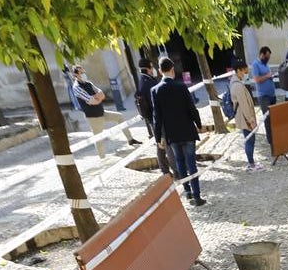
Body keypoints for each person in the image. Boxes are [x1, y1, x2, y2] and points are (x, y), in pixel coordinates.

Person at [151, 56, 206, 205]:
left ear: (160, 71)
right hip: (187, 130)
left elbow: (157, 116)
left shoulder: (155, 90)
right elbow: (191, 108)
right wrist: (199, 124)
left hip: (172, 134)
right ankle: (197, 195)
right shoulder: (181, 87)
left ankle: (187, 192)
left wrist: (158, 137)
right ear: (172, 69)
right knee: (191, 163)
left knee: (180, 163)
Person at [72, 64, 139, 157]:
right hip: (93, 117)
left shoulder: (88, 83)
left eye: (84, 72)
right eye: (81, 73)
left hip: (102, 112)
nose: (84, 74)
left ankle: (130, 139)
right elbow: (92, 101)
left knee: (120, 117)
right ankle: (102, 158)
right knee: (98, 139)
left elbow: (102, 94)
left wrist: (95, 98)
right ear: (75, 75)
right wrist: (95, 98)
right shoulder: (76, 87)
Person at [135, 58, 171, 174]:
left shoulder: (144, 80)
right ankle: (166, 170)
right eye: (151, 66)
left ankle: (165, 169)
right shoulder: (147, 82)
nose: (153, 69)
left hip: (153, 117)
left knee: (161, 143)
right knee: (162, 144)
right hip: (155, 118)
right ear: (147, 68)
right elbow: (154, 102)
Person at [229, 62, 263, 170]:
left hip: (243, 116)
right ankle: (251, 164)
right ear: (239, 70)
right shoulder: (238, 86)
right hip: (244, 117)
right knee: (249, 140)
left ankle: (251, 162)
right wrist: (251, 119)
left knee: (249, 140)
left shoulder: (235, 83)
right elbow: (244, 105)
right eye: (245, 71)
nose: (246, 73)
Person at [249, 45, 276, 146]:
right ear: (261, 54)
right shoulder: (256, 64)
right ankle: (271, 140)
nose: (268, 58)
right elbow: (257, 79)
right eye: (267, 56)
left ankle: (275, 136)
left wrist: (271, 76)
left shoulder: (266, 65)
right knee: (267, 119)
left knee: (274, 118)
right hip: (264, 96)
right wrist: (267, 76)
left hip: (271, 95)